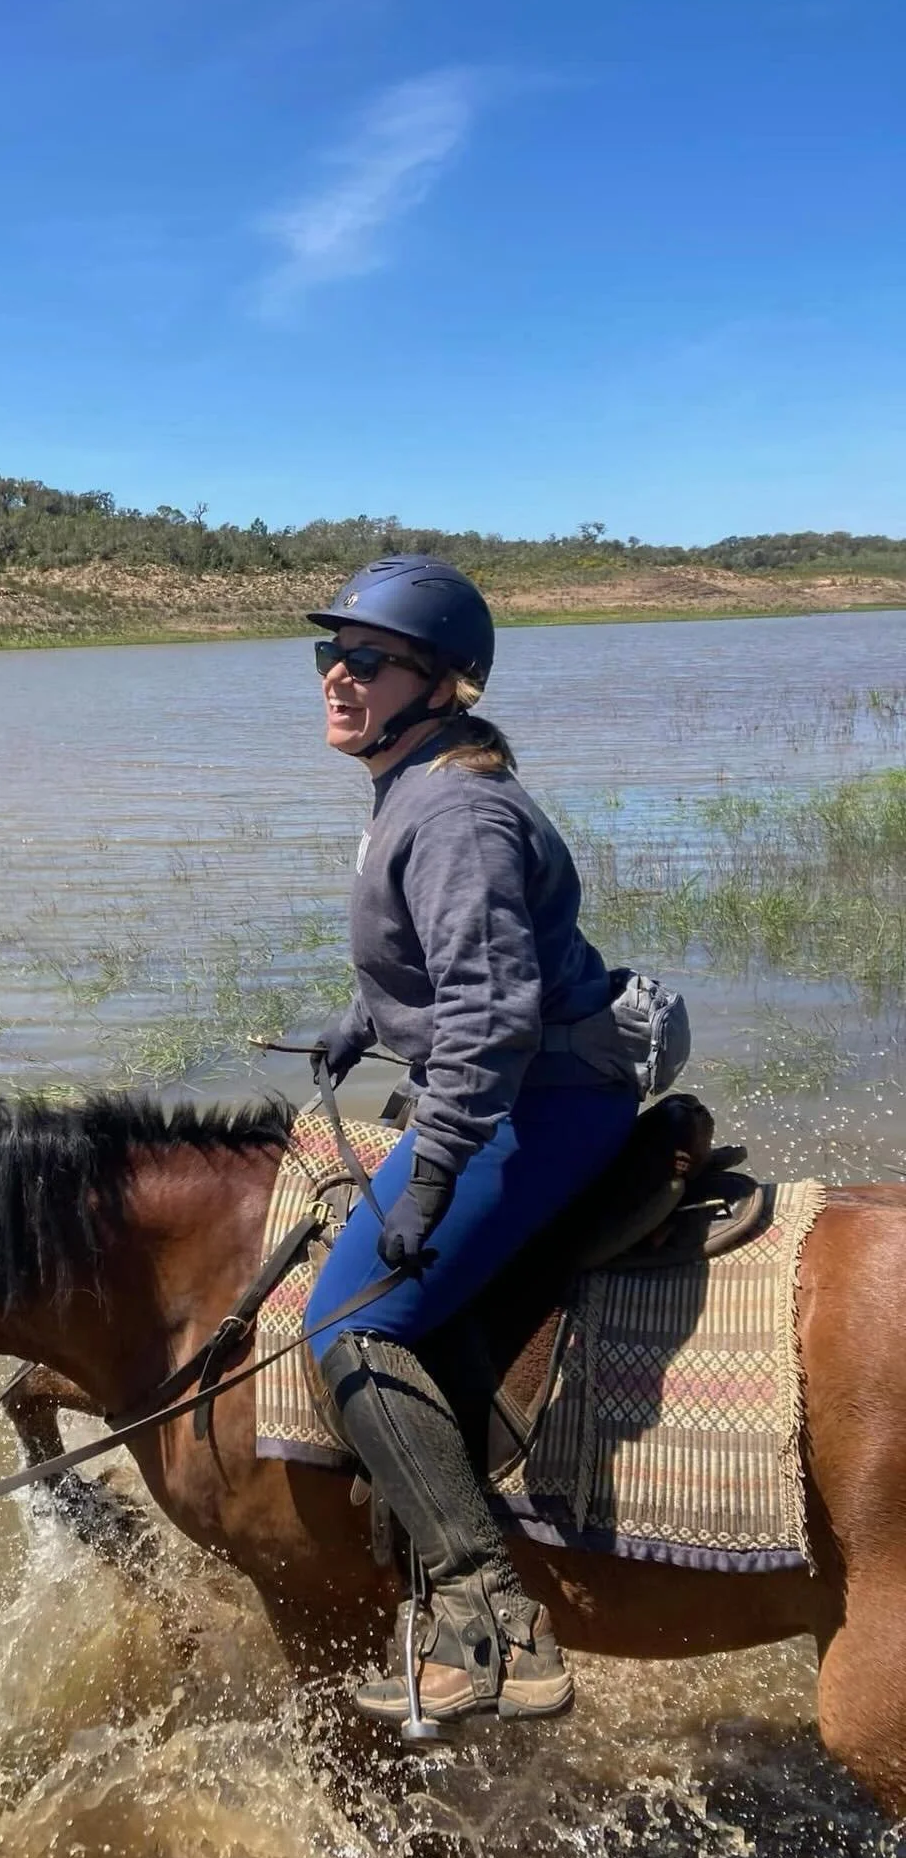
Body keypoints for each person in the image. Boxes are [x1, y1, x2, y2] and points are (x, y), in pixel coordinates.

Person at [301, 554, 651, 1728]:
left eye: (369, 660)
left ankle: (494, 1629)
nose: (338, 677)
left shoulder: (453, 810)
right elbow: (446, 961)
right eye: (330, 654)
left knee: (349, 1326)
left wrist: (435, 1173)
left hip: (533, 1100)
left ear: (443, 683)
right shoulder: (418, 781)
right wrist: (366, 1018)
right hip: (511, 1083)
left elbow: (494, 1014)